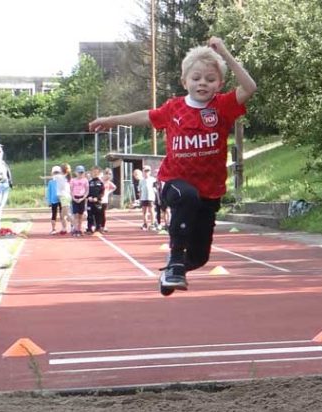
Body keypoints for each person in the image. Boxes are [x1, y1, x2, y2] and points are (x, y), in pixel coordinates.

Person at [90, 37, 256, 295]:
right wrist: (113, 120)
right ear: (185, 81)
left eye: (210, 79)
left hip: (209, 190)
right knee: (186, 196)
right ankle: (176, 260)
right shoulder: (174, 108)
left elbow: (249, 86)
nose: (203, 83)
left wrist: (224, 52)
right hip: (173, 182)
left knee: (200, 258)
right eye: (197, 78)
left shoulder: (222, 107)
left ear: (219, 84)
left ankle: (172, 271)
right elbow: (146, 116)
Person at [69, 165, 89, 235]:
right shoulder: (73, 180)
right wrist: (74, 198)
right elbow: (71, 190)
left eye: (82, 173)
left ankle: (79, 229)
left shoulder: (85, 180)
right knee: (75, 215)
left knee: (80, 215)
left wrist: (82, 198)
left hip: (82, 199)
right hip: (75, 198)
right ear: (75, 172)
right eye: (79, 172)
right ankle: (75, 229)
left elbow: (87, 191)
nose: (80, 174)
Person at [86, 166, 105, 233]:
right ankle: (89, 228)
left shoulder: (101, 183)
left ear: (99, 173)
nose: (95, 173)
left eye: (96, 172)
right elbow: (86, 191)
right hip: (90, 202)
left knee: (98, 215)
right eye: (93, 172)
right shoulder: (89, 182)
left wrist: (97, 198)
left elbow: (102, 193)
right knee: (90, 216)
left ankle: (98, 228)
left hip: (97, 202)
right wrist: (88, 197)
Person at [45, 164, 63, 234]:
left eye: (57, 172)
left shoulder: (62, 181)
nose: (56, 174)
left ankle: (63, 228)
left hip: (62, 199)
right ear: (52, 173)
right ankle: (53, 229)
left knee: (63, 214)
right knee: (54, 214)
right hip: (53, 200)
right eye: (55, 173)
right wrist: (49, 201)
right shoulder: (51, 182)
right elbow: (49, 192)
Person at [139, 165, 157, 230]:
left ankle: (153, 224)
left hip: (151, 197)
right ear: (143, 172)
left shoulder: (153, 179)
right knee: (144, 212)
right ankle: (145, 224)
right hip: (143, 198)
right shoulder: (141, 180)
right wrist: (140, 199)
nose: (146, 172)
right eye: (145, 171)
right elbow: (140, 190)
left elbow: (156, 189)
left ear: (150, 172)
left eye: (148, 171)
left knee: (152, 211)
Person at [99, 168, 116, 232]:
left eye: (110, 174)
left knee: (103, 214)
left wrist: (108, 192)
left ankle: (103, 226)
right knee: (98, 213)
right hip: (99, 199)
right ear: (104, 174)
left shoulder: (108, 182)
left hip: (105, 200)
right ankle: (98, 225)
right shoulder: (100, 181)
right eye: (107, 173)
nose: (108, 175)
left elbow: (114, 187)